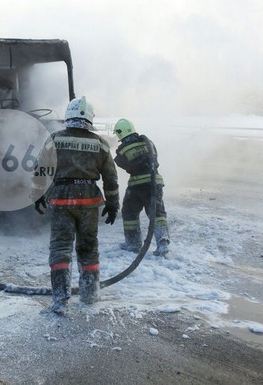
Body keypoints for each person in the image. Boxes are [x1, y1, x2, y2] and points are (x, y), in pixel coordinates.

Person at [33, 96, 119, 315]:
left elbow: (41, 169)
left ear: (68, 115)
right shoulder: (99, 143)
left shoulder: (55, 139)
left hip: (62, 199)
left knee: (61, 247)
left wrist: (37, 194)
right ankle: (90, 295)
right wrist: (112, 203)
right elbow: (110, 177)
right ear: (90, 118)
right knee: (89, 247)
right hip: (89, 201)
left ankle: (60, 300)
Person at [112, 118, 170, 257]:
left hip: (137, 185)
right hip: (155, 182)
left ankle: (133, 243)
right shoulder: (148, 143)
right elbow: (154, 159)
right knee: (156, 212)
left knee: (129, 212)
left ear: (120, 133)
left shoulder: (121, 151)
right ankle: (162, 242)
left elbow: (124, 164)